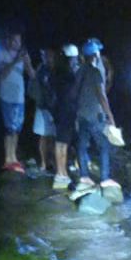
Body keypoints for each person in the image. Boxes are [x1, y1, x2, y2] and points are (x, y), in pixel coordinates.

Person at [75, 38, 119, 191]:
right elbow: (101, 96)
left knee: (82, 145)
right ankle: (105, 178)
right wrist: (110, 116)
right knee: (104, 146)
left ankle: (84, 176)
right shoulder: (95, 72)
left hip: (81, 114)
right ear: (95, 55)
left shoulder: (79, 70)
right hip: (94, 114)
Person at [0, 29, 35, 173]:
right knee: (9, 128)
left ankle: (14, 158)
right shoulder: (2, 54)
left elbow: (32, 75)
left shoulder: (23, 56)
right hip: (6, 96)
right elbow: (2, 74)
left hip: (19, 97)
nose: (18, 43)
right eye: (15, 40)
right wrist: (15, 61)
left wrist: (27, 62)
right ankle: (8, 158)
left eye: (19, 41)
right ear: (9, 41)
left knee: (17, 128)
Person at [51, 44, 79, 189]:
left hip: (61, 110)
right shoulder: (66, 73)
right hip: (65, 110)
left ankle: (62, 172)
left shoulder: (57, 71)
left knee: (62, 142)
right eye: (74, 58)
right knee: (62, 142)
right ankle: (60, 173)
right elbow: (72, 92)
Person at [29, 48, 56, 173]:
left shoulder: (57, 70)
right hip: (42, 107)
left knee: (52, 137)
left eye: (50, 55)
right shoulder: (41, 70)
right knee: (43, 136)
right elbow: (34, 88)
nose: (48, 58)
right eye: (46, 55)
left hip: (55, 108)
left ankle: (51, 162)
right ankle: (44, 163)